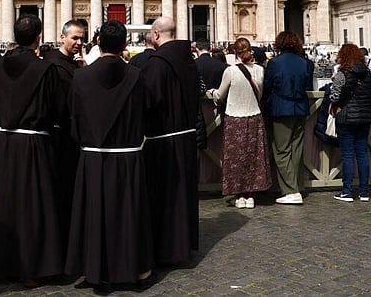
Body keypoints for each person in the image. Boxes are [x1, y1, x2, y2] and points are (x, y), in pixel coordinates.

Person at [0, 14, 67, 286]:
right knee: (33, 206)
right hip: (35, 143)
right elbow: (58, 112)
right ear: (38, 37)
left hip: (5, 144)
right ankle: (32, 269)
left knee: (4, 206)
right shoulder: (46, 70)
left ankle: (0, 266)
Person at [66, 20, 155, 290]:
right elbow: (147, 113)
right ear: (126, 45)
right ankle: (134, 271)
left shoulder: (80, 76)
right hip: (128, 156)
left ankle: (95, 271)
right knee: (129, 214)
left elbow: (74, 118)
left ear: (98, 43)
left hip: (93, 156)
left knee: (94, 214)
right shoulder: (137, 76)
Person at [142, 16, 203, 265]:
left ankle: (168, 249)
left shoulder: (157, 63)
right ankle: (184, 245)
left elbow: (149, 101)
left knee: (167, 198)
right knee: (183, 196)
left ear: (156, 35)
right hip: (186, 138)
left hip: (164, 141)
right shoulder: (188, 60)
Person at [207, 37, 270, 208]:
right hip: (255, 118)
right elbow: (261, 94)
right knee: (252, 158)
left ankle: (238, 194)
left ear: (235, 52)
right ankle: (250, 195)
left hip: (235, 119)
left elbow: (219, 97)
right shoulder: (260, 70)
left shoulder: (231, 71)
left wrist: (212, 92)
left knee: (235, 159)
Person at [40, 20, 85, 246]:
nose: (79, 42)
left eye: (81, 38)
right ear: (62, 37)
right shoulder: (53, 65)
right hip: (59, 137)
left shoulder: (74, 64)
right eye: (75, 38)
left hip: (72, 137)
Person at [263, 31, 314, 205]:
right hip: (300, 108)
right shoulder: (305, 63)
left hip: (281, 109)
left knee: (281, 150)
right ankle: (297, 186)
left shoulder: (274, 63)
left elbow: (268, 86)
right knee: (296, 149)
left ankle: (291, 191)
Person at [329, 44, 371, 202]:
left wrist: (333, 82)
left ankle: (347, 192)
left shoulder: (343, 73)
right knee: (362, 154)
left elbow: (335, 97)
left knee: (348, 154)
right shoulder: (367, 73)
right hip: (364, 117)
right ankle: (364, 192)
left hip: (346, 117)